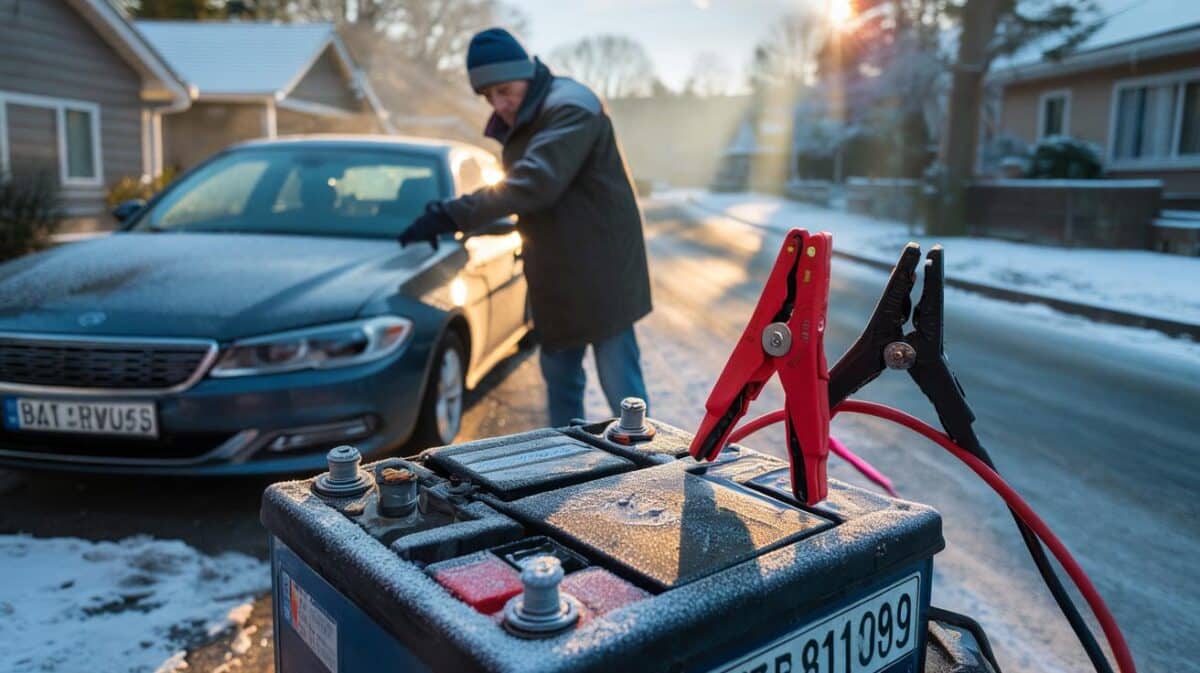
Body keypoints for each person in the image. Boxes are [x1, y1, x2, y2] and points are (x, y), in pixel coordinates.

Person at [398, 27, 652, 427]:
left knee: (622, 386)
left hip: (603, 267)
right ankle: (565, 464)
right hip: (556, 269)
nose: (498, 105)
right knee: (560, 378)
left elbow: (534, 183)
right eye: (488, 96)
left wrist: (453, 214)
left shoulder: (571, 107)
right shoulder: (531, 113)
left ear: (526, 73)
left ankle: (647, 461)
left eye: (504, 90)